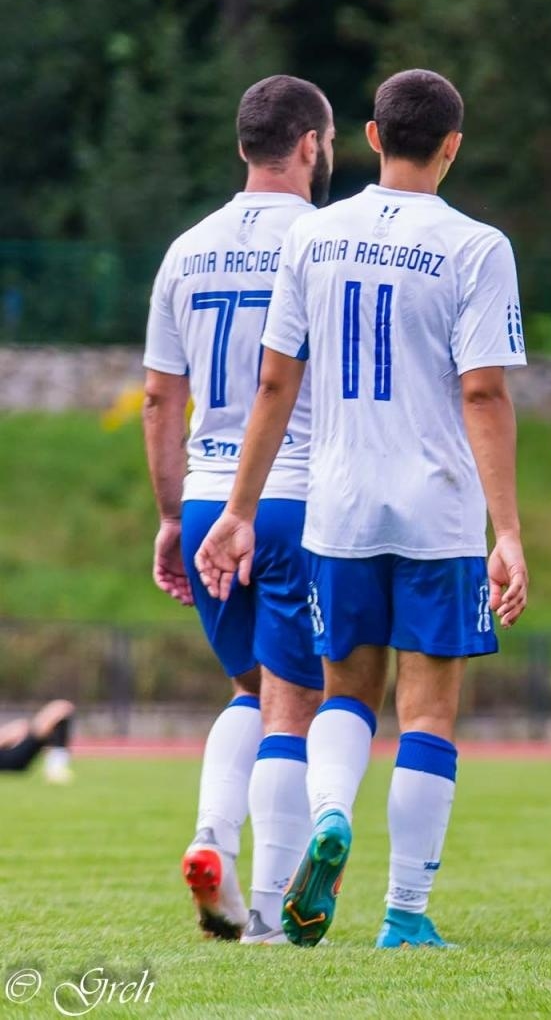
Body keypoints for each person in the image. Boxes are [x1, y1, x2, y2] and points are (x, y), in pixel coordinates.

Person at [195, 68, 529, 950]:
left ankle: (331, 814)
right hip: (437, 511)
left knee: (344, 691)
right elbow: (486, 395)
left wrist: (238, 509)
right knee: (427, 711)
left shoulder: (317, 234)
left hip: (334, 510)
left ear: (373, 138)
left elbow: (274, 381)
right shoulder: (477, 246)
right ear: (452, 146)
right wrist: (511, 532)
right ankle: (406, 913)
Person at [142, 74, 333, 944]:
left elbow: (158, 398)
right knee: (296, 703)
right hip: (294, 494)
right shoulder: (325, 240)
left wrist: (176, 516)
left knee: (246, 689)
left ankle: (211, 837)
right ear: (308, 145)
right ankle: (264, 912)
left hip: (212, 490)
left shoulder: (185, 249)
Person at [0, 699, 75, 783]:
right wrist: (6, 734)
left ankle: (56, 765)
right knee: (60, 708)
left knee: (62, 708)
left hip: (8, 754)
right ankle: (56, 767)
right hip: (8, 760)